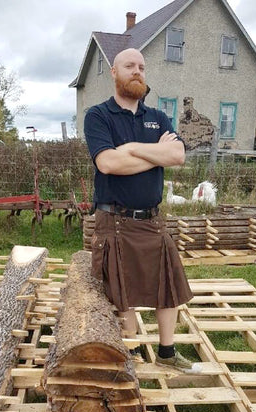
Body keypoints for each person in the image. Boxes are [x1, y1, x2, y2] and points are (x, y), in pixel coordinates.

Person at [84, 47, 194, 371]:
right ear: (114, 72)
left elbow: (177, 156)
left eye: (142, 67)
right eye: (129, 65)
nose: (137, 71)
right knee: (120, 295)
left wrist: (131, 149)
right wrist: (153, 153)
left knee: (168, 289)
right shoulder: (98, 115)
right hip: (114, 220)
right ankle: (124, 356)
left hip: (151, 221)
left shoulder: (157, 117)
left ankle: (167, 352)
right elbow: (107, 163)